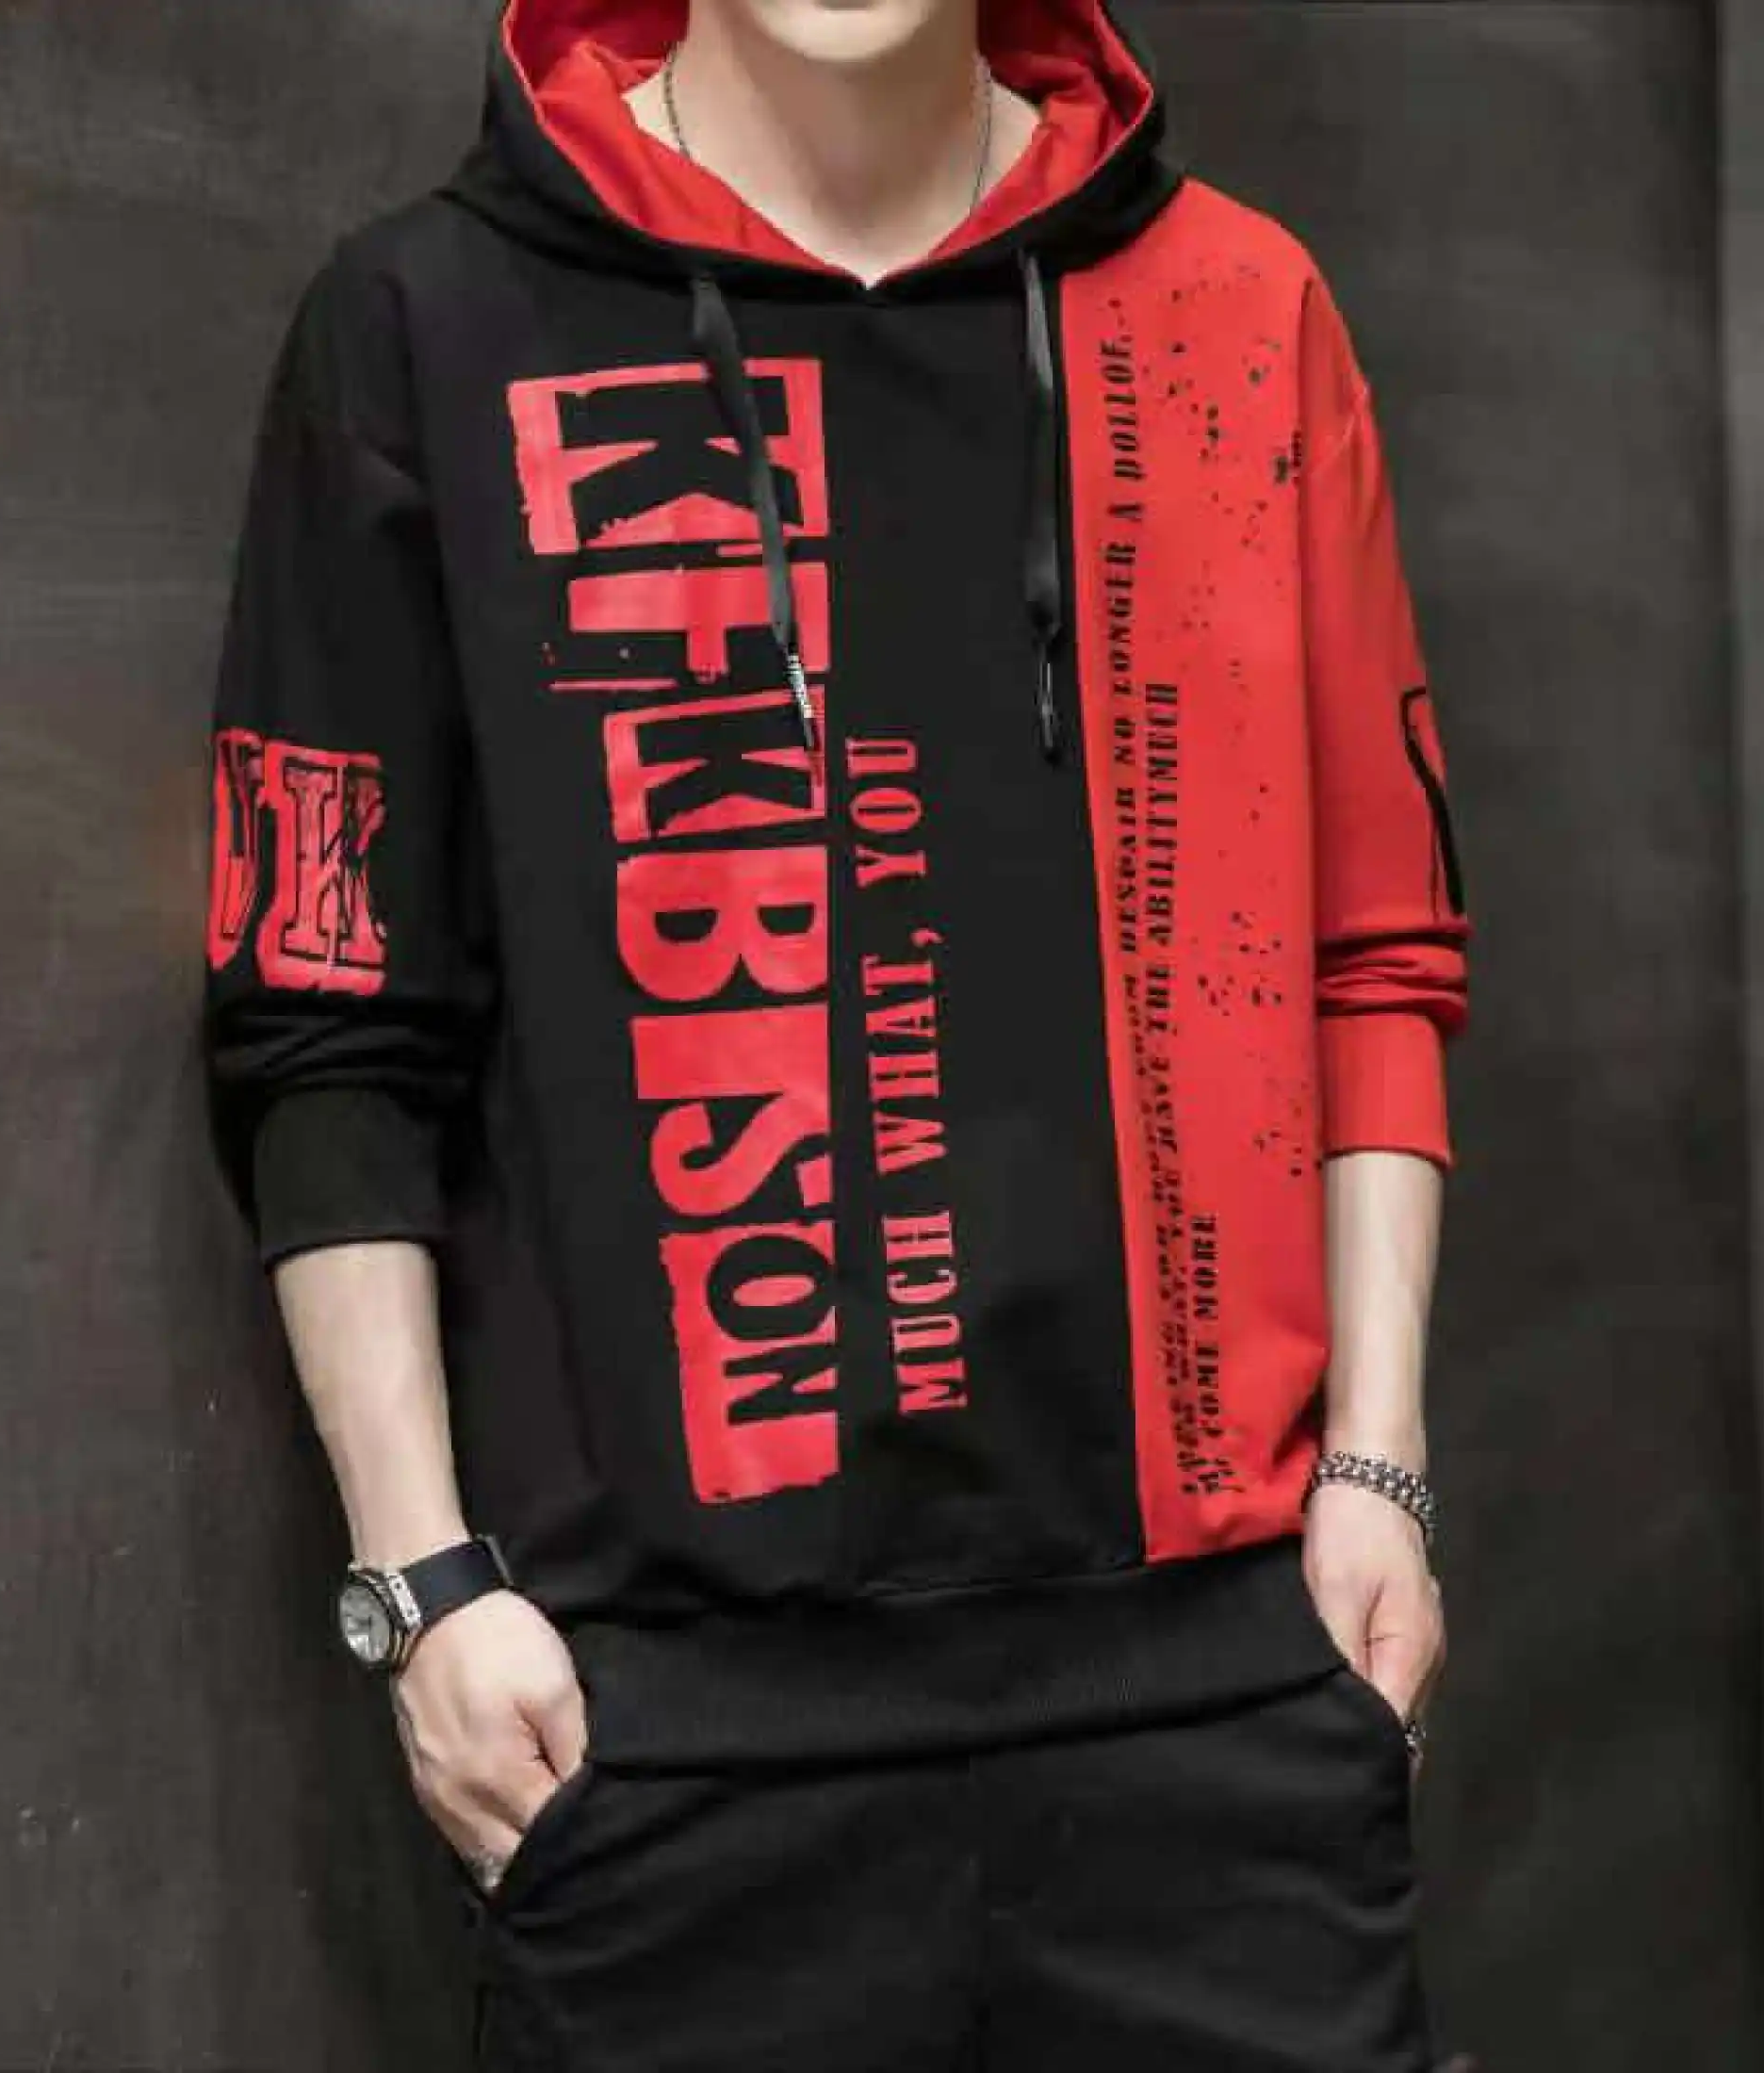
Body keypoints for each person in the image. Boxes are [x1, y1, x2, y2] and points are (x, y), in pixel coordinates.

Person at [200, 0, 1472, 2064]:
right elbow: (323, 1013)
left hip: (1220, 1709)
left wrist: (1380, 1469)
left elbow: (1376, 950)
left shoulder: (1240, 311)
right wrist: (420, 1584)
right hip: (663, 1744)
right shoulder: (427, 325)